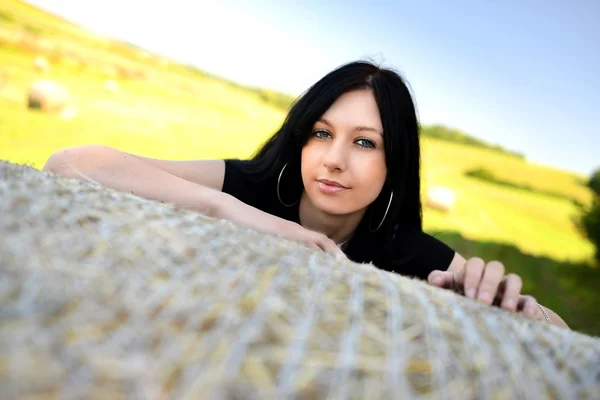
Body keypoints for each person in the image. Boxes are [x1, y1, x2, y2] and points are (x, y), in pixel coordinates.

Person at [43, 60, 568, 329]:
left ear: (396, 163)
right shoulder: (248, 185)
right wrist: (240, 213)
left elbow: (563, 337)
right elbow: (70, 163)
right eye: (321, 133)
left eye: (365, 142)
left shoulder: (403, 247)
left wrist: (514, 309)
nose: (334, 158)